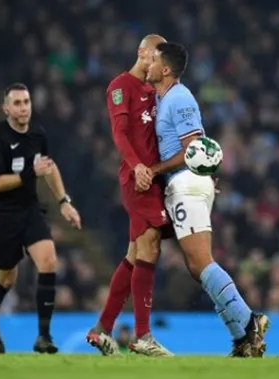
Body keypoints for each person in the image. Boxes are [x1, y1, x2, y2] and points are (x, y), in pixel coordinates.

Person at [145, 42, 269, 357]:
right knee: (194, 264)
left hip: (186, 182)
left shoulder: (180, 98)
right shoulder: (165, 99)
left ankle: (249, 321)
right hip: (185, 183)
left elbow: (192, 147)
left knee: (201, 261)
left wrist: (156, 169)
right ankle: (242, 339)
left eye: (154, 60)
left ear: (167, 69)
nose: (149, 64)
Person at [0, 83, 81, 354]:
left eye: (26, 102)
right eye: (17, 103)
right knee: (7, 278)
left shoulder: (37, 133)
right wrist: (29, 173)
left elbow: (48, 167)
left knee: (48, 260)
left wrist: (64, 202)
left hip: (28, 210)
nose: (23, 108)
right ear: (6, 108)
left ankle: (44, 337)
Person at [86, 34, 173, 357]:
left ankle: (101, 330)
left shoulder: (154, 91)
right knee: (149, 245)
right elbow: (119, 133)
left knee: (136, 253)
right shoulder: (120, 86)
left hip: (154, 178)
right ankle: (142, 335)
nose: (156, 65)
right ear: (141, 53)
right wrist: (137, 167)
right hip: (137, 179)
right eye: (153, 58)